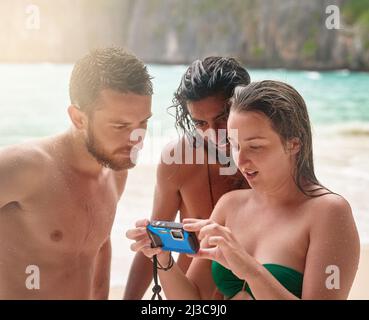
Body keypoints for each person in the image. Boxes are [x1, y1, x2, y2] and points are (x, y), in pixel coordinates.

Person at [127, 80, 360, 300]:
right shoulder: (230, 204)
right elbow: (194, 300)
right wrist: (163, 258)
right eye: (235, 145)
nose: (241, 160)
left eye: (255, 146)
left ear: (293, 144)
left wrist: (249, 269)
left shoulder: (329, 213)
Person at [0, 47, 153, 299]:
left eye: (143, 123)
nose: (136, 138)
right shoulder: (25, 168)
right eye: (120, 126)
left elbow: (98, 245)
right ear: (78, 118)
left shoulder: (115, 172)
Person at [124, 57, 251, 299]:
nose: (214, 133)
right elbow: (153, 241)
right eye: (201, 123)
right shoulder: (178, 159)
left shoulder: (266, 161)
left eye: (222, 117)